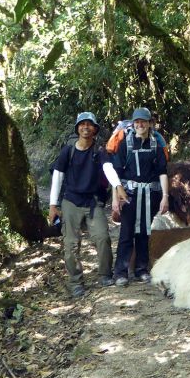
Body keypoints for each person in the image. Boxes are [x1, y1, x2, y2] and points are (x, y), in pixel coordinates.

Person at [48, 111, 114, 297]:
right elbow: (58, 176)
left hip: (93, 201)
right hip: (71, 201)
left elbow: (108, 169)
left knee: (102, 237)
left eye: (89, 124)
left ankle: (105, 274)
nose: (86, 127)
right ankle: (76, 282)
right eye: (82, 124)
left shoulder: (99, 151)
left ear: (95, 129)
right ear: (77, 128)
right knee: (70, 244)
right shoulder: (68, 151)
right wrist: (53, 205)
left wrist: (117, 186)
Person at [110, 107, 169, 286]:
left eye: (143, 121)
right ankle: (120, 272)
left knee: (144, 232)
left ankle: (141, 270)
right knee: (126, 232)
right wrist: (114, 199)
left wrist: (165, 196)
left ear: (150, 123)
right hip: (128, 195)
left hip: (150, 195)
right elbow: (116, 174)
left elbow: (162, 172)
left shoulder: (156, 144)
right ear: (133, 123)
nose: (140, 125)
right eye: (137, 122)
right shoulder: (125, 143)